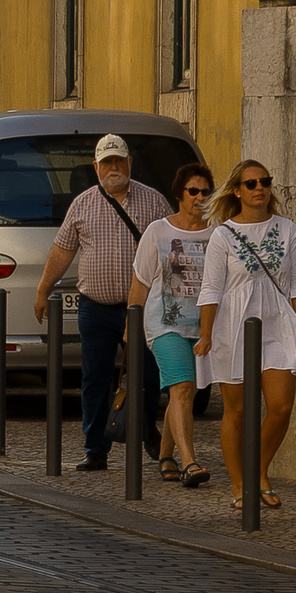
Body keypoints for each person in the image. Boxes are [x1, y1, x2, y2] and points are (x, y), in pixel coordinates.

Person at [34, 135, 175, 471]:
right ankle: (95, 448)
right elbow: (62, 250)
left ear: (130, 164)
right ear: (96, 167)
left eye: (119, 161)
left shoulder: (154, 202)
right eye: (107, 162)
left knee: (148, 375)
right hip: (94, 308)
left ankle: (146, 431)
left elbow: (171, 248)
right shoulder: (82, 204)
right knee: (95, 378)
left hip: (141, 308)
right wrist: (43, 289)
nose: (114, 168)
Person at [194, 159, 296, 512]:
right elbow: (211, 288)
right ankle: (239, 484)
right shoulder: (222, 234)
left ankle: (258, 469)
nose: (260, 188)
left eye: (265, 181)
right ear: (237, 191)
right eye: (251, 184)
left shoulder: (288, 229)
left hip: (278, 324)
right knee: (237, 410)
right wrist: (205, 333)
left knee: (281, 406)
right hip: (234, 326)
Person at [129, 162, 216, 488]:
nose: (200, 197)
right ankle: (189, 463)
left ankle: (165, 456)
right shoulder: (159, 231)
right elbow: (140, 282)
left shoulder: (218, 231)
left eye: (206, 191)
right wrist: (131, 322)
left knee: (183, 392)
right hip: (163, 324)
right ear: (179, 194)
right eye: (194, 191)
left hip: (203, 327)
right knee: (182, 388)